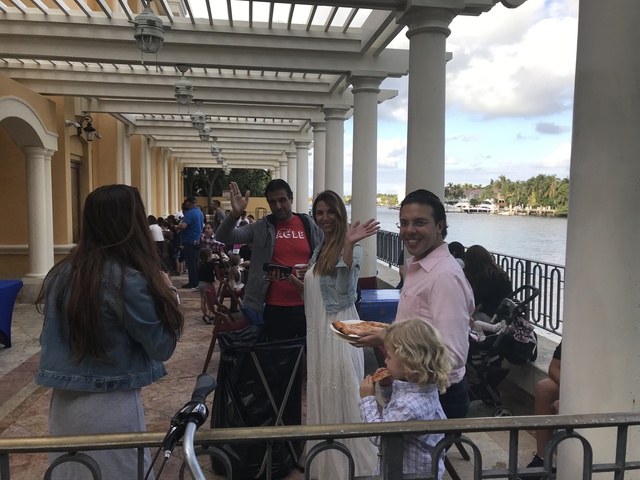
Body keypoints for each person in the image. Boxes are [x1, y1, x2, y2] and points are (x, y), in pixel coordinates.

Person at [35, 184, 183, 480]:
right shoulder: (127, 279)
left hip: (64, 403)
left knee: (74, 473)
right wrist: (170, 296)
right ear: (130, 223)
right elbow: (161, 346)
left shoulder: (61, 273)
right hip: (110, 404)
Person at [357, 189, 475, 420]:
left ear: (440, 226)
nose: (409, 230)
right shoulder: (420, 266)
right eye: (404, 223)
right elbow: (420, 330)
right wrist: (386, 333)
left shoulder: (443, 276)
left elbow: (453, 355)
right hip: (414, 389)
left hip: (437, 395)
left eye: (419, 222)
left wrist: (388, 340)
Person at [286, 190, 379, 478]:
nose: (324, 217)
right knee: (324, 393)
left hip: (338, 334)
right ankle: (325, 460)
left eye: (330, 212)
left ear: (340, 214)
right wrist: (292, 280)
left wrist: (348, 244)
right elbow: (313, 295)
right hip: (317, 333)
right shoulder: (320, 248)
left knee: (344, 394)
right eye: (319, 212)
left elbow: (344, 288)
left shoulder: (352, 247)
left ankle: (351, 464)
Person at [215, 179, 323, 340]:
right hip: (275, 306)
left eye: (282, 200)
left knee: (310, 352)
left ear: (291, 199)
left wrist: (314, 268)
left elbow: (324, 255)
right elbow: (224, 237)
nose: (278, 206)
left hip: (308, 302)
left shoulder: (309, 224)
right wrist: (235, 214)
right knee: (278, 353)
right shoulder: (260, 227)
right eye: (272, 202)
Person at [359, 319, 450, 479]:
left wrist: (367, 399)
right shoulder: (423, 386)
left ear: (408, 362)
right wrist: (387, 386)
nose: (385, 361)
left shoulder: (408, 405)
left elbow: (381, 436)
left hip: (406, 472)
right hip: (422, 468)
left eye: (389, 357)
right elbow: (393, 412)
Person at [522, 342, 561, 479]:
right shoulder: (574, 337)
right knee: (544, 388)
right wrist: (568, 392)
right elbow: (554, 367)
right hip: (575, 385)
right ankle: (544, 458)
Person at [464, 244, 513, 319]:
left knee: (462, 316)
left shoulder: (488, 277)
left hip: (494, 316)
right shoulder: (496, 272)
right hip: (503, 313)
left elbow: (474, 301)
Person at [175, 196, 205, 289]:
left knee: (191, 262)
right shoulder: (199, 212)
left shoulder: (190, 213)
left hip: (190, 241)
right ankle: (197, 280)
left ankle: (193, 282)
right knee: (196, 261)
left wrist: (176, 227)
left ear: (188, 203)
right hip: (197, 240)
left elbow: (183, 226)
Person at [197, 247, 216, 324]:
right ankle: (207, 315)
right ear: (208, 256)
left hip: (200, 283)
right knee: (210, 301)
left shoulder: (199, 264)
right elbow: (220, 265)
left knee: (203, 300)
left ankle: (205, 314)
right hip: (208, 284)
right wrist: (218, 259)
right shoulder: (211, 264)